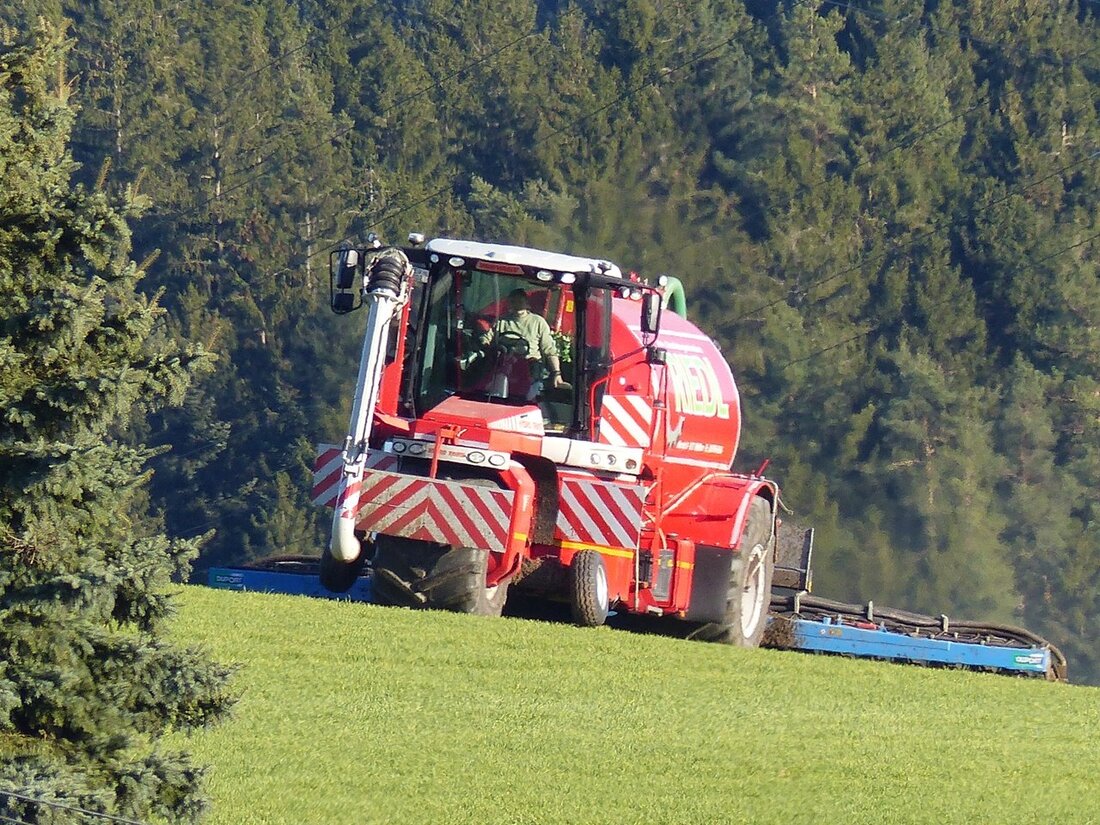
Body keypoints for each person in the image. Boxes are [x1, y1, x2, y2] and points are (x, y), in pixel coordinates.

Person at [478, 288, 566, 394]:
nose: (517, 304)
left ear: (527, 303)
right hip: (503, 365)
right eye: (513, 301)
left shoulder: (538, 322)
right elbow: (486, 339)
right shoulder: (501, 321)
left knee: (532, 393)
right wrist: (485, 345)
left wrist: (557, 374)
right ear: (509, 303)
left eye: (520, 301)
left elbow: (550, 350)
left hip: (530, 368)